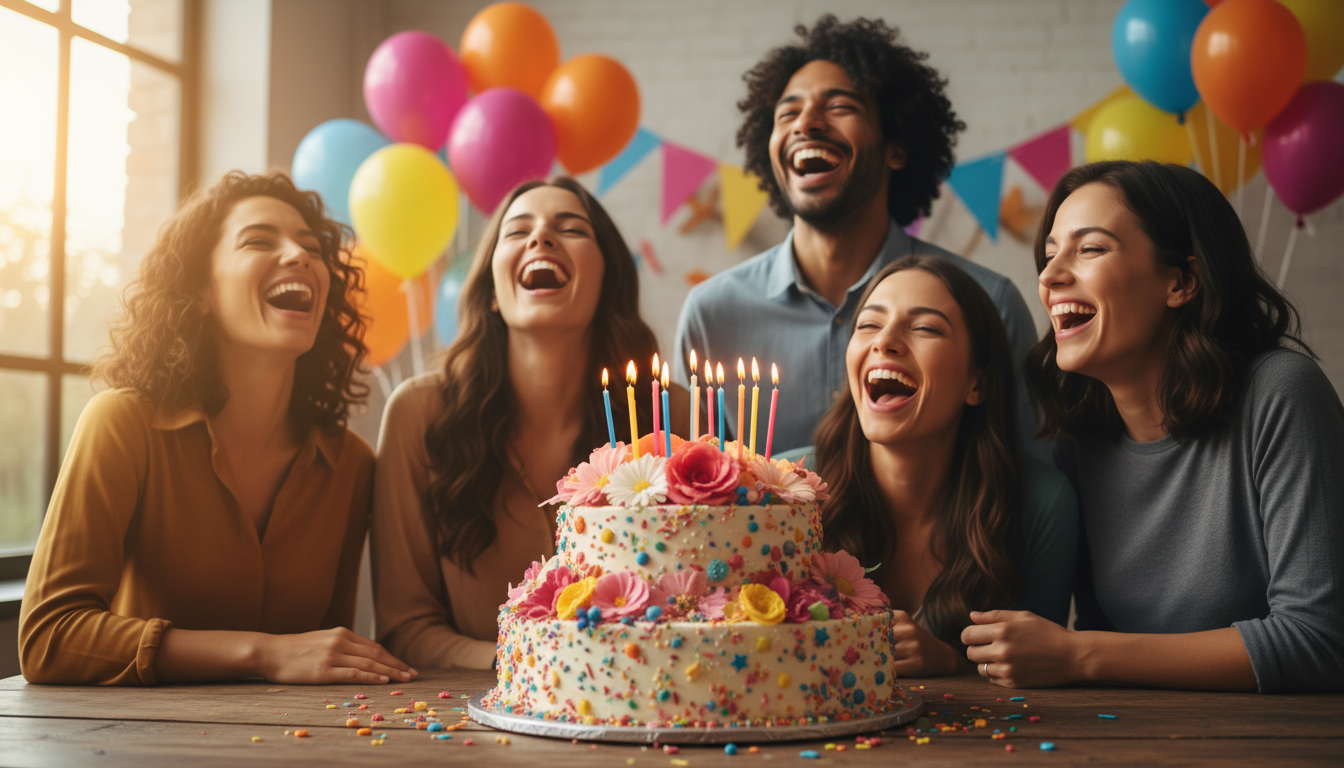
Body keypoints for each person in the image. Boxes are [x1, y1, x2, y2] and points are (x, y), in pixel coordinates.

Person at [19, 171, 415, 686]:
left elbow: (326, 652)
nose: (300, 257)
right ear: (200, 291)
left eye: (311, 248)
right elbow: (49, 638)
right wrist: (264, 654)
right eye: (259, 241)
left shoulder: (353, 464)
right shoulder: (122, 424)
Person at [963, 160, 1344, 693]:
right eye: (1050, 255)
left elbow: (1320, 641)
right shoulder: (1079, 439)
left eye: (1089, 249)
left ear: (1182, 281)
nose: (1049, 277)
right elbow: (1107, 633)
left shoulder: (1282, 394)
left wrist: (1079, 654)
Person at [674, 15, 1038, 456]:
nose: (805, 123)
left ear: (896, 148)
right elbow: (692, 505)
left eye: (840, 106)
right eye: (787, 112)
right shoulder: (711, 315)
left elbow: (1025, 484)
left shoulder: (990, 304)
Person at [372, 177, 691, 669]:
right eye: (517, 231)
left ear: (606, 279)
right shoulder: (417, 417)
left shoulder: (672, 415)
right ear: (493, 291)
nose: (541, 239)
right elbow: (406, 629)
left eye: (571, 228)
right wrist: (542, 661)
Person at [812, 255, 1076, 676]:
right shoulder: (788, 490)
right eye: (868, 324)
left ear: (978, 384)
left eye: (925, 328)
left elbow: (1041, 669)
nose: (886, 341)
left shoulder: (1042, 503)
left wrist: (950, 662)